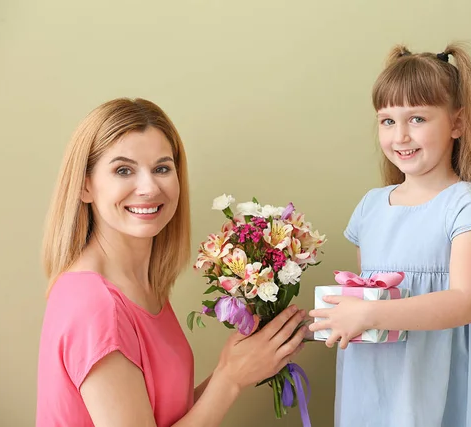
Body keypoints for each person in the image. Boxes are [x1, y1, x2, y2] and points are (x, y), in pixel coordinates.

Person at [36, 98, 307, 427]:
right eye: (124, 170)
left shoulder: (141, 287)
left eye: (162, 168)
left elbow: (158, 414)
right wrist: (229, 380)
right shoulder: (96, 306)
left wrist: (240, 365)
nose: (149, 187)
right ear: (85, 185)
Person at [308, 43, 471, 427]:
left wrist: (369, 312)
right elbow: (366, 290)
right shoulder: (370, 206)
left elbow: (466, 301)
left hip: (434, 381)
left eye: (417, 118)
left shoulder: (465, 204)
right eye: (387, 121)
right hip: (372, 380)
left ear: (457, 123)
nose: (400, 136)